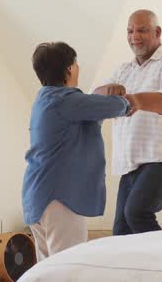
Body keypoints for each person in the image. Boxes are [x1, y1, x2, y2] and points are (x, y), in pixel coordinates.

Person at [22, 42, 139, 261]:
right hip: (59, 199)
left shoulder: (45, 99)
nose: (78, 67)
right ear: (68, 69)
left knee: (49, 271)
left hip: (38, 196)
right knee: (68, 268)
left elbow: (89, 111)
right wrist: (126, 102)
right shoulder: (65, 100)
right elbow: (115, 107)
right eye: (75, 63)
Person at [93, 9, 162, 235]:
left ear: (157, 32)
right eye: (130, 31)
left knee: (136, 213)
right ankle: (138, 270)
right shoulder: (123, 70)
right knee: (121, 232)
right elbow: (93, 96)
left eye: (141, 31)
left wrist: (135, 101)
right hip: (131, 165)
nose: (134, 37)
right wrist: (106, 90)